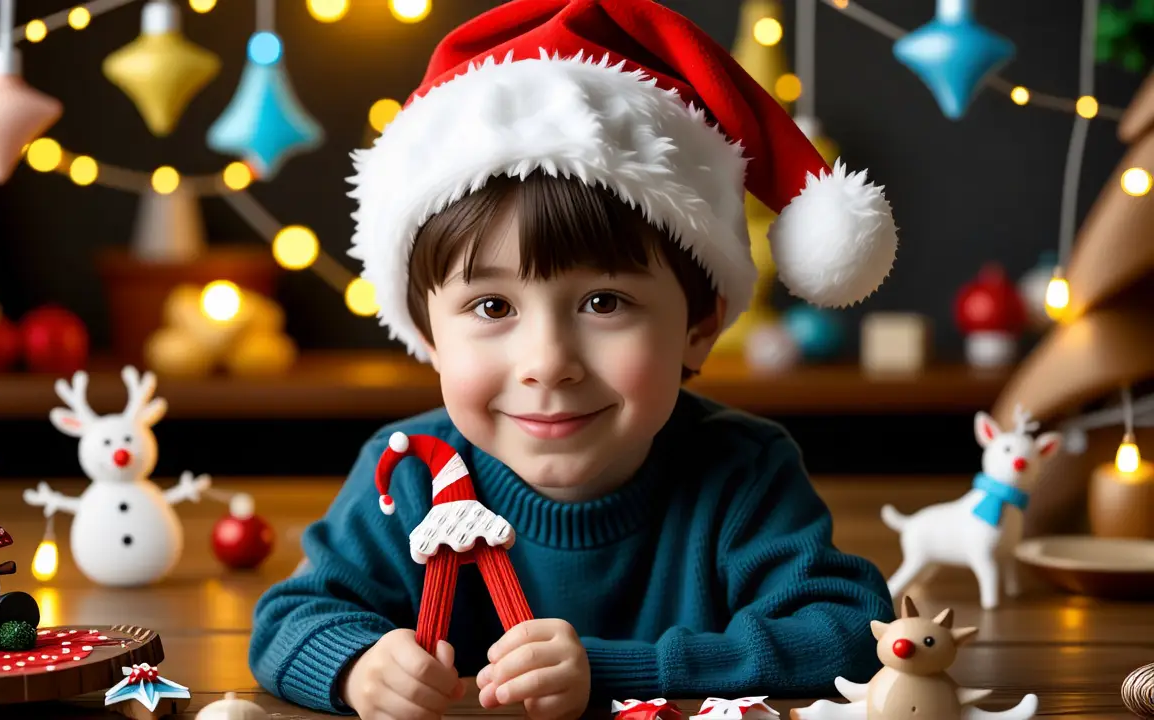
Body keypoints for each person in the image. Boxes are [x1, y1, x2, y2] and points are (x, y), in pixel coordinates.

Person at [250, 0, 900, 718]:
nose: (548, 363)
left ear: (700, 323)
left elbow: (844, 634)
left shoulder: (741, 472)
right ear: (429, 334)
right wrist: (358, 668)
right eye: (492, 308)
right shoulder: (411, 474)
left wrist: (619, 670)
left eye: (604, 304)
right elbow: (290, 620)